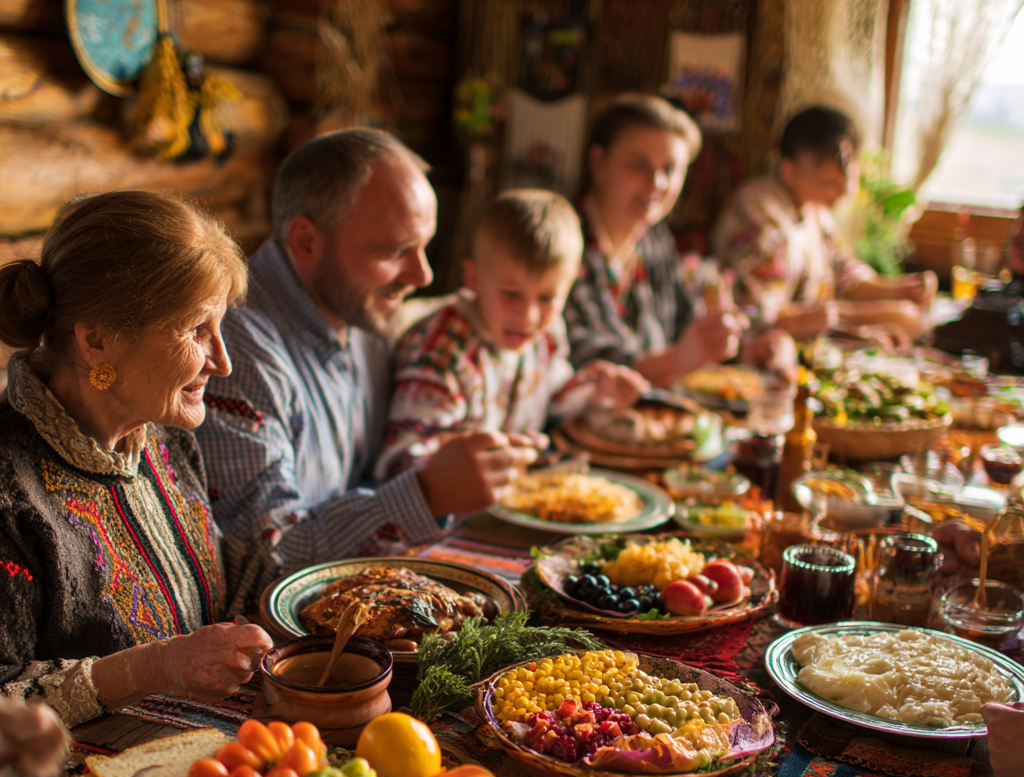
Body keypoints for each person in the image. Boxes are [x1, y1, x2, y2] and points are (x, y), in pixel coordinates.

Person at [196, 130, 542, 612]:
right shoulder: (237, 350)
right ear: (307, 240)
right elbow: (259, 567)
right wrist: (425, 493)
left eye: (424, 247)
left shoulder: (364, 317)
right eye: (395, 251)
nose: (422, 276)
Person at [0, 191, 273, 728]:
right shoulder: (10, 492)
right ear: (97, 338)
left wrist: (311, 596)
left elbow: (212, 593)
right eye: (197, 330)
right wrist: (158, 666)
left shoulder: (163, 442)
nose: (222, 361)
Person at [376, 189, 648, 480]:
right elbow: (399, 464)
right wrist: (485, 454)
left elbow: (552, 397)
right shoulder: (439, 353)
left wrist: (595, 387)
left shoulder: (547, 333)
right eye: (511, 294)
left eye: (547, 298)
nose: (529, 316)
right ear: (473, 278)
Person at [563, 94, 796, 386]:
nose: (657, 183)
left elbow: (686, 324)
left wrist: (747, 350)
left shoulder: (654, 240)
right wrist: (678, 360)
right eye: (637, 164)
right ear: (598, 162)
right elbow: (576, 358)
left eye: (670, 170)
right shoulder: (562, 242)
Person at [715, 105, 937, 341]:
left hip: (817, 325)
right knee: (908, 320)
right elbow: (762, 315)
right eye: (830, 184)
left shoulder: (814, 211)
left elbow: (845, 275)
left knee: (912, 317)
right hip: (767, 340)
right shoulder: (759, 214)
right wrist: (854, 322)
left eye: (848, 181)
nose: (844, 193)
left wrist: (901, 290)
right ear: (789, 171)